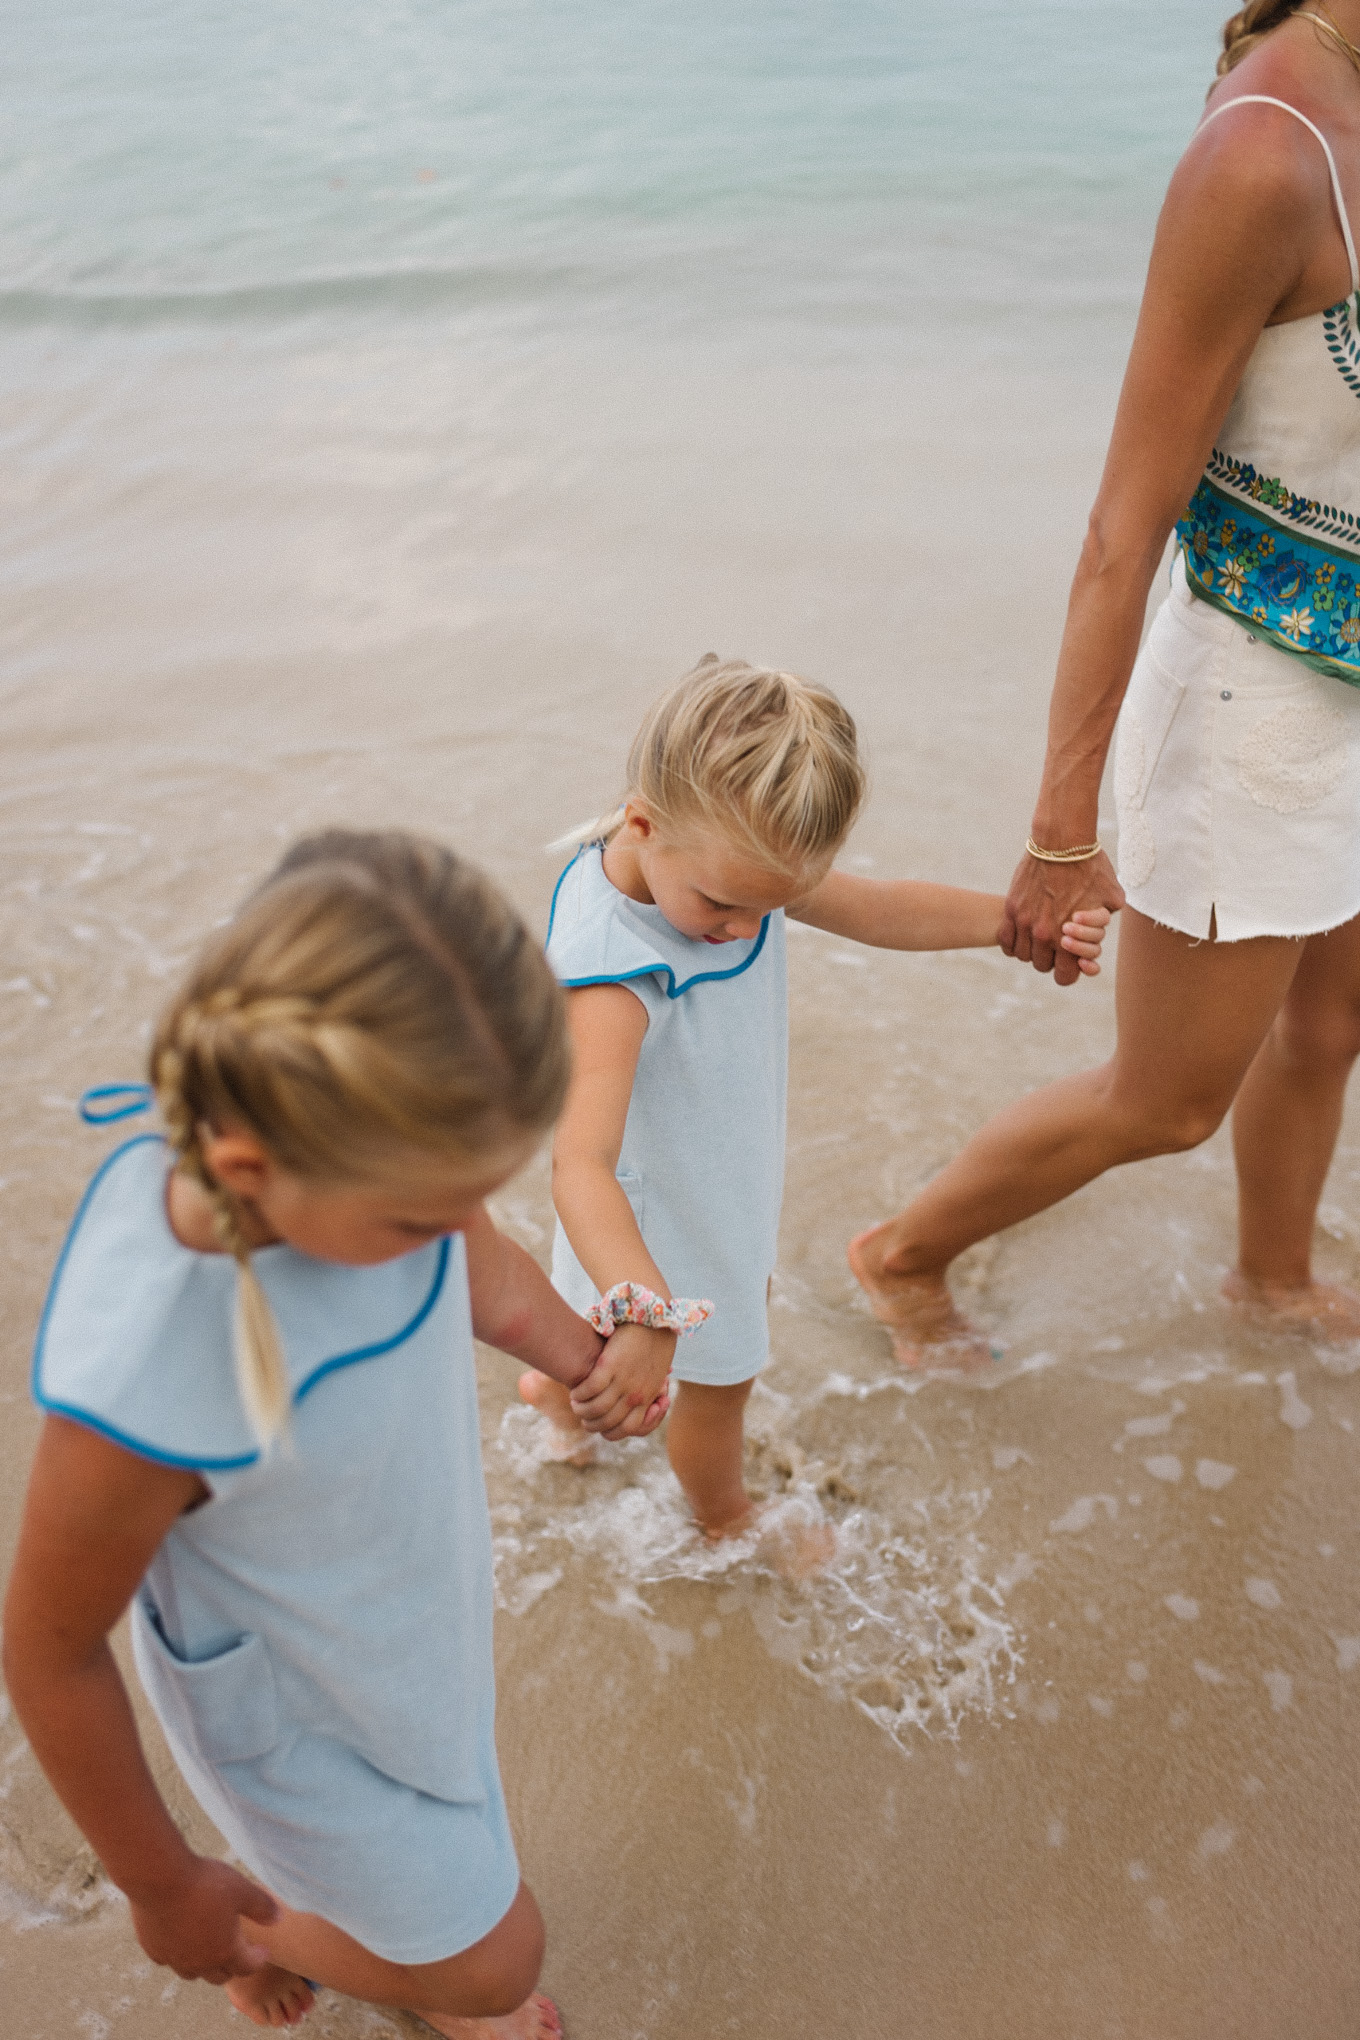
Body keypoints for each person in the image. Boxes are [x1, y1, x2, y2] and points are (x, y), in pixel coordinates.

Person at [3, 830, 634, 2038]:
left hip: (396, 1617)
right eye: (423, 1211)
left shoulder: (381, 1183)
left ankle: (367, 1932)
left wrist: (579, 1360)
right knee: (500, 1961)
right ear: (249, 1164)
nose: (459, 1223)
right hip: (289, 1706)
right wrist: (166, 1887)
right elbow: (49, 1647)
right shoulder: (146, 1384)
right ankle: (268, 1935)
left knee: (450, 1830)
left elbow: (485, 1273)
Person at [850, 1, 1360, 1363]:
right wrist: (1062, 838)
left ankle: (1272, 1279)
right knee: (1165, 1099)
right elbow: (1121, 532)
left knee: (1333, 1017)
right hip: (1256, 703)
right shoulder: (1265, 154)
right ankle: (900, 1255)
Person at [517, 658, 1110, 1537]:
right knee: (718, 1389)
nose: (744, 929)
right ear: (643, 821)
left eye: (774, 906)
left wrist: (1015, 925)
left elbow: (880, 910)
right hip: (657, 1229)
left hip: (695, 1177)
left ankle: (562, 1399)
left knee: (616, 1354)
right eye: (725, 905)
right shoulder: (614, 972)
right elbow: (578, 1165)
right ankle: (728, 1521)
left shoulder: (713, 859)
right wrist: (649, 1308)